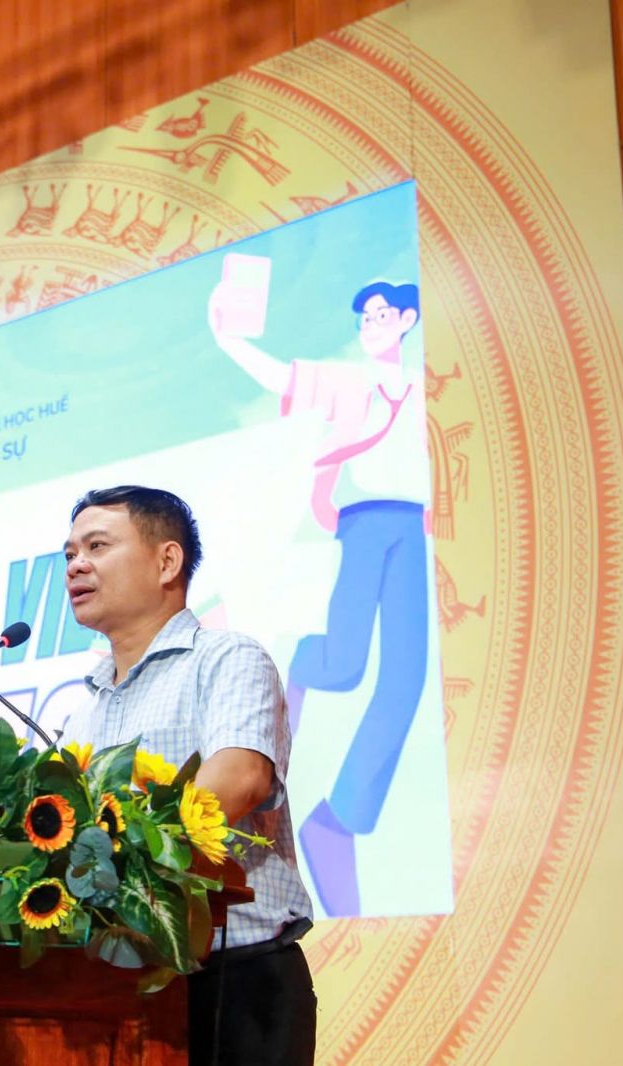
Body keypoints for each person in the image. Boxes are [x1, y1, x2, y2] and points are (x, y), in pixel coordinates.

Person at [63, 485, 315, 1066]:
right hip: (112, 988)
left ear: (167, 561)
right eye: (70, 554)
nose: (76, 565)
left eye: (96, 546)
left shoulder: (225, 659)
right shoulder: (85, 706)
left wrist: (117, 854)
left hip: (234, 982)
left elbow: (241, 777)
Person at [210, 279, 431, 918]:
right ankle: (296, 657)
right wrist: (228, 338)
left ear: (407, 319)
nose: (371, 324)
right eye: (364, 316)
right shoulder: (348, 381)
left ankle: (338, 820)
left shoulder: (426, 387)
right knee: (345, 664)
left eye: (381, 314)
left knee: (407, 678)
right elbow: (280, 376)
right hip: (361, 521)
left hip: (413, 528)